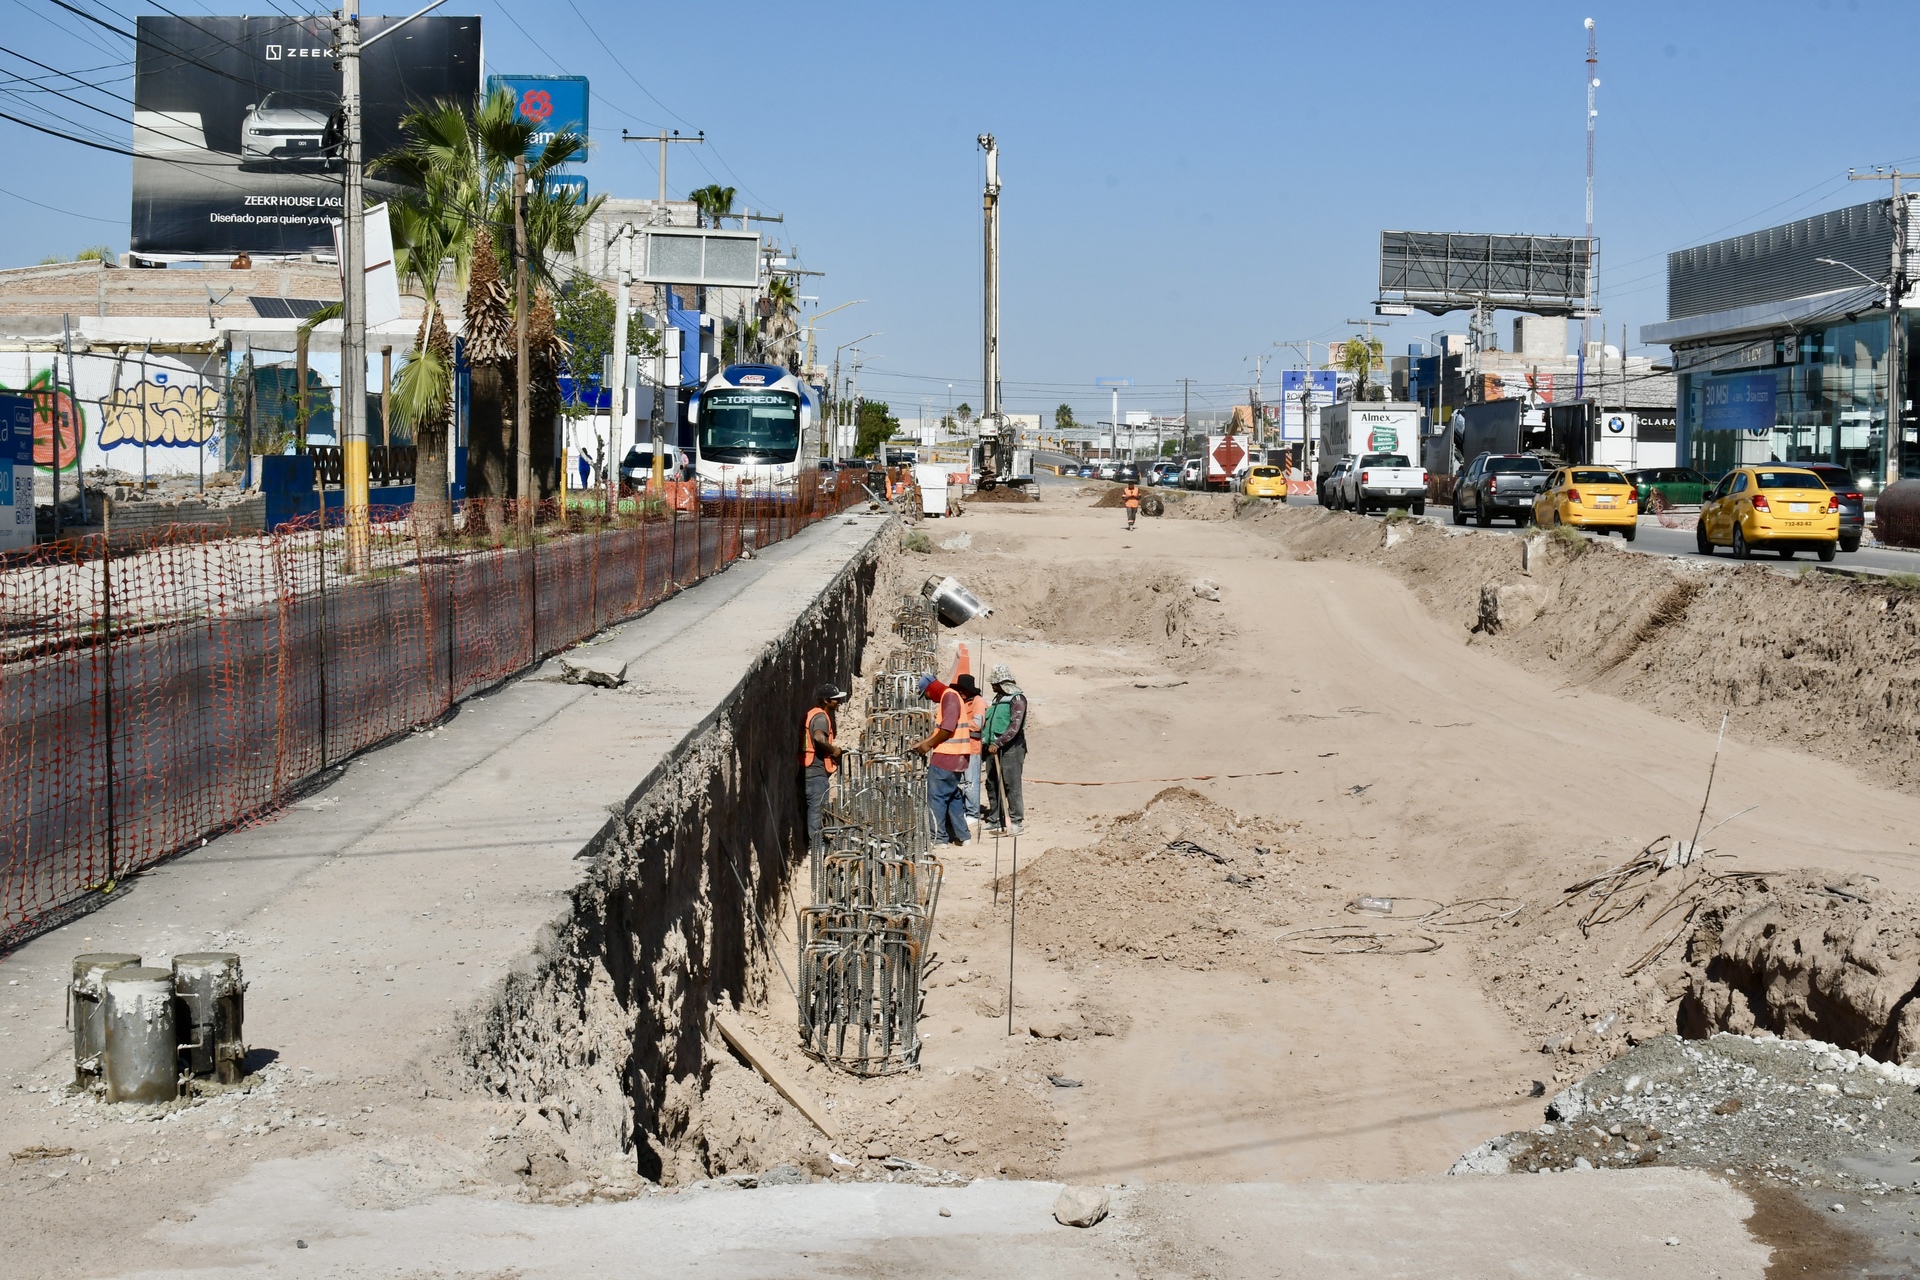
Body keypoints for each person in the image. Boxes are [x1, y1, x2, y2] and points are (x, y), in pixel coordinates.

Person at [910, 674, 971, 846]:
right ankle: (963, 836)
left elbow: (947, 729)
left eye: (926, 694)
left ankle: (938, 838)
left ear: (930, 689)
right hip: (958, 757)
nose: (929, 699)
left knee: (936, 797)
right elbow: (940, 730)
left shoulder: (949, 697)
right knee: (952, 796)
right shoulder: (951, 696)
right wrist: (923, 742)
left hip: (947, 756)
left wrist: (928, 745)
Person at [980, 663, 1028, 835]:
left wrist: (998, 743)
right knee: (992, 782)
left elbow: (1014, 726)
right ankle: (996, 818)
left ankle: (1015, 821)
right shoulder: (997, 699)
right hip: (992, 748)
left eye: (994, 683)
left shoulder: (1017, 699)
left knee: (1011, 784)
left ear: (1002, 682)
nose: (992, 686)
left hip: (1011, 748)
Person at [802, 682, 848, 850]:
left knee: (814, 808)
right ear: (827, 701)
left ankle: (815, 843)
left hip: (809, 769)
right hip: (815, 771)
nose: (839, 702)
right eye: (836, 699)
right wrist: (834, 750)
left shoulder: (813, 714)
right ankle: (816, 846)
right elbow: (819, 738)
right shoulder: (821, 718)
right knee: (817, 809)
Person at [953, 673, 986, 830]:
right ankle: (964, 811)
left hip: (973, 748)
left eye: (963, 690)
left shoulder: (978, 702)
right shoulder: (960, 702)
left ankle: (973, 813)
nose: (960, 692)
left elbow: (977, 724)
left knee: (971, 782)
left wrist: (958, 725)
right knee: (961, 782)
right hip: (960, 748)